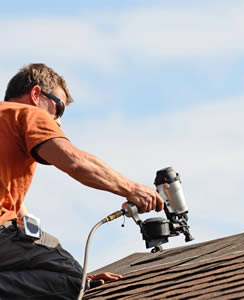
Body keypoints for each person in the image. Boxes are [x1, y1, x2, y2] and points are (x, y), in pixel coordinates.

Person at [0, 63, 164, 300]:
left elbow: (15, 209)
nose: (58, 122)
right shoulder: (28, 115)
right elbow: (75, 161)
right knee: (72, 281)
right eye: (59, 109)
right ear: (36, 95)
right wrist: (133, 190)